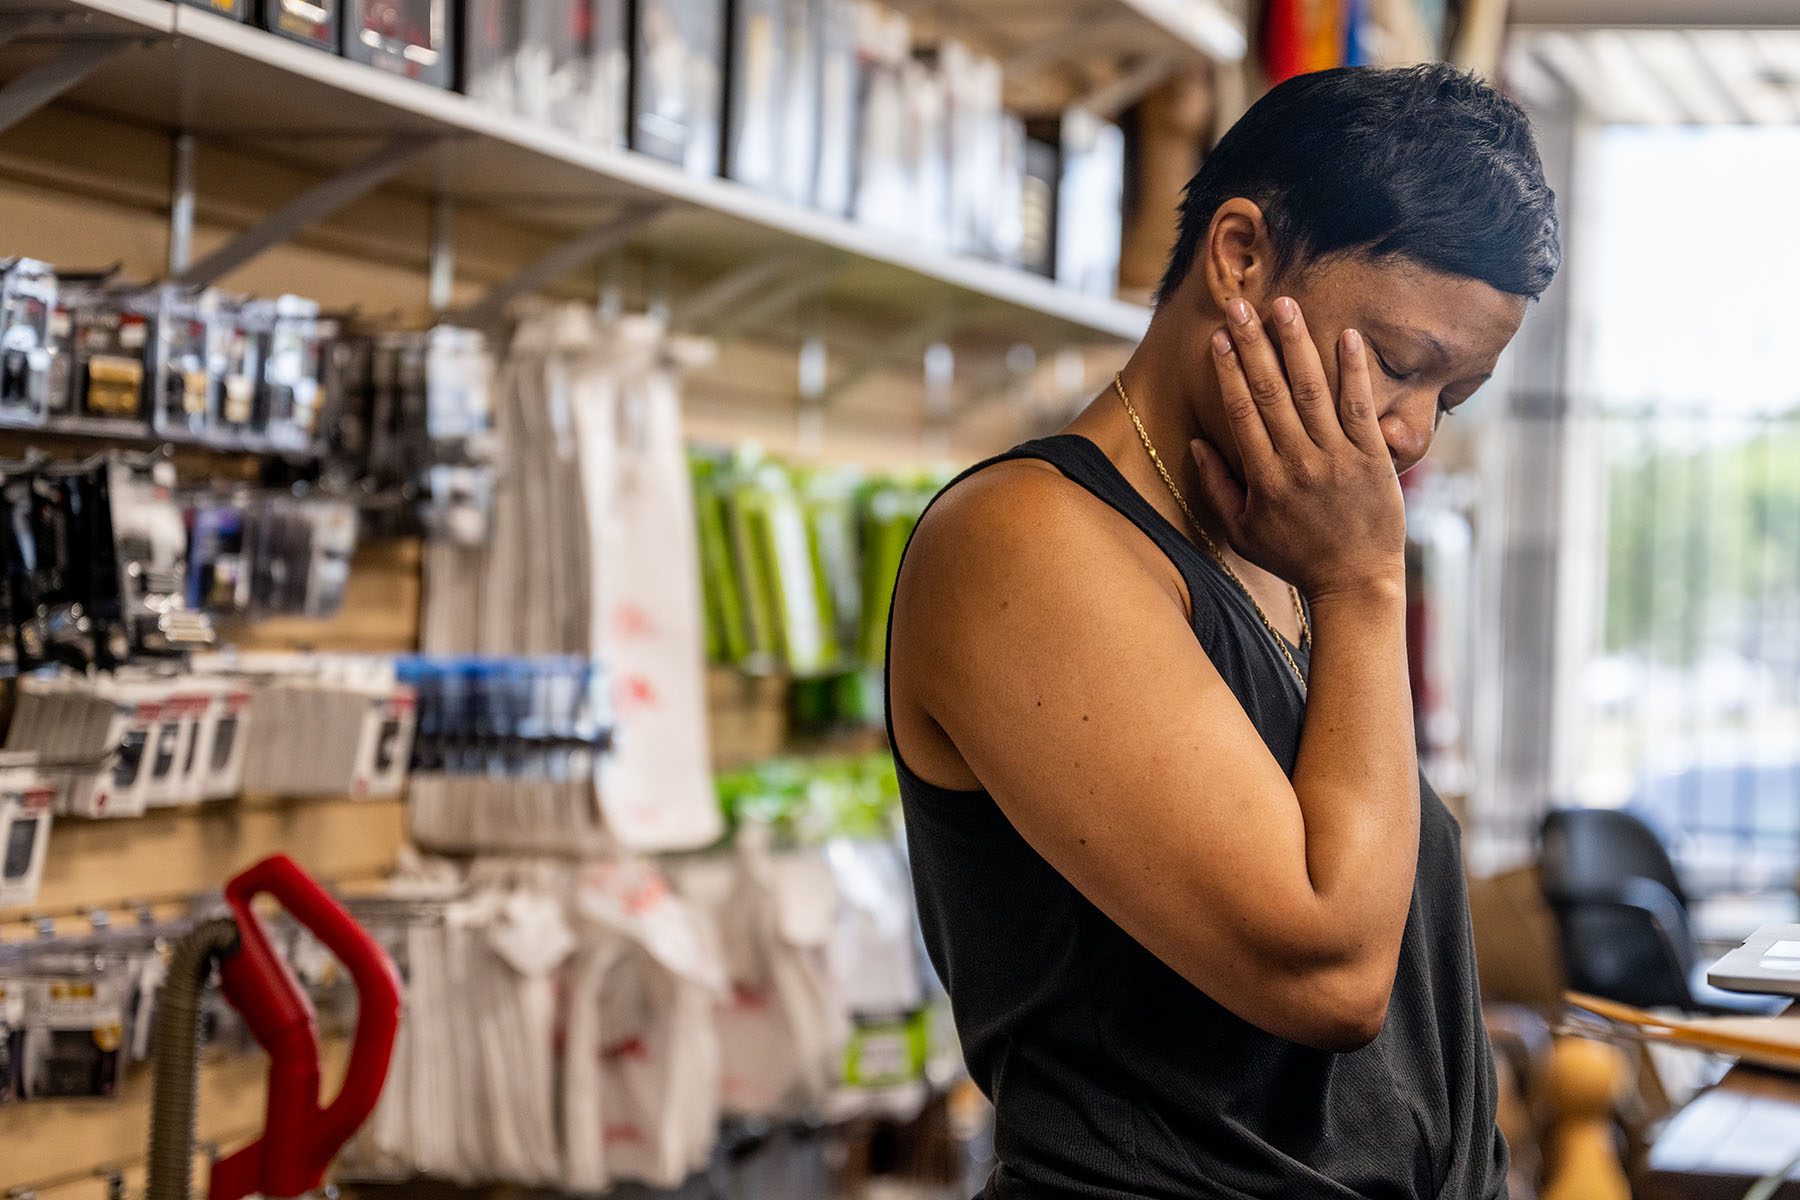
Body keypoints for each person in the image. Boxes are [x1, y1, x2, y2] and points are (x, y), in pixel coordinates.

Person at [885, 63, 1561, 1199]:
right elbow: (1330, 968)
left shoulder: (1283, 546)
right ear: (1240, 257)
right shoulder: (1023, 542)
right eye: (1398, 365)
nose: (1410, 435)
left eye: (1453, 396)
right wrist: (1363, 586)